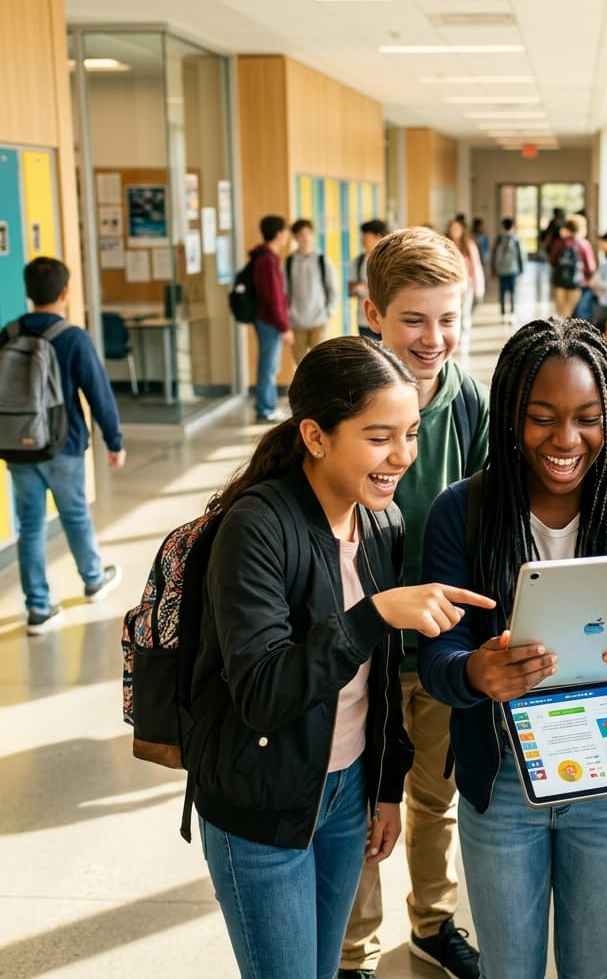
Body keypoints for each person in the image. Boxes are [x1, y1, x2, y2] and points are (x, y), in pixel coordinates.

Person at [192, 336, 495, 979]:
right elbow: (263, 691)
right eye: (379, 436)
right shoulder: (256, 527)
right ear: (316, 435)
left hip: (345, 790)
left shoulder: (379, 524)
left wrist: (385, 790)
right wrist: (376, 614)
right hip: (263, 806)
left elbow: (380, 684)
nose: (403, 457)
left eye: (411, 433)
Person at [419, 317, 607, 979]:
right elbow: (435, 663)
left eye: (588, 418)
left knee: (591, 968)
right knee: (508, 969)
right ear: (511, 413)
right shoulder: (463, 513)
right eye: (542, 416)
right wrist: (475, 672)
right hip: (505, 783)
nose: (566, 439)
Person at [340, 227, 490, 979]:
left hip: (438, 647)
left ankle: (432, 922)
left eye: (448, 318)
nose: (433, 339)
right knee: (358, 804)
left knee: (435, 797)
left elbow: (493, 516)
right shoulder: (345, 393)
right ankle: (353, 950)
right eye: (413, 320)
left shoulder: (470, 403)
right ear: (373, 311)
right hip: (357, 642)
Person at [2, 256, 124, 634]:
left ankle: (38, 608)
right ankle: (92, 579)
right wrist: (113, 440)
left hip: (19, 448)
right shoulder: (72, 338)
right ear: (66, 292)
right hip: (63, 445)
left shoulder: (8, 334)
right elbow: (98, 394)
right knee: (74, 514)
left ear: (28, 293)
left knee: (31, 526)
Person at [250, 214, 294, 423]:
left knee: (269, 364)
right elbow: (273, 297)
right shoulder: (267, 260)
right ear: (279, 234)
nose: (288, 235)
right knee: (268, 366)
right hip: (269, 321)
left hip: (267, 320)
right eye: (286, 231)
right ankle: (265, 408)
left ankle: (266, 405)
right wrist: (284, 326)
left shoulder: (266, 257)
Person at [285, 218, 339, 363]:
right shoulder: (289, 262)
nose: (306, 238)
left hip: (318, 321)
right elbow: (284, 291)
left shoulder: (322, 260)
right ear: (295, 237)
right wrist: (287, 314)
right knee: (300, 365)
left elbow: (333, 288)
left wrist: (328, 312)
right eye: (301, 234)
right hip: (296, 322)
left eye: (309, 234)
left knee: (321, 362)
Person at [548, 214, 596, 319]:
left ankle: (559, 332)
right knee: (568, 312)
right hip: (576, 284)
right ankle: (565, 333)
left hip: (559, 283)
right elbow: (590, 267)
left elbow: (552, 261)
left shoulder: (559, 243)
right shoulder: (584, 244)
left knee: (560, 312)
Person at [350, 219, 389, 340]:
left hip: (385, 317)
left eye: (366, 236)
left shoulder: (389, 260)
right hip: (364, 319)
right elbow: (350, 287)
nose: (362, 239)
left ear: (378, 237)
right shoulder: (358, 261)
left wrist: (367, 286)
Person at [445, 218, 485, 333]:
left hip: (466, 284)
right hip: (449, 284)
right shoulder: (445, 245)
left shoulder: (469, 245)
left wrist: (478, 287)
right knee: (452, 310)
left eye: (457, 228)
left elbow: (475, 267)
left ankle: (463, 334)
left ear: (462, 230)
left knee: (465, 311)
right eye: (452, 228)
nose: (454, 231)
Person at [491, 217, 525, 324]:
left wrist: (493, 270)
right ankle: (512, 313)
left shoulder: (499, 239)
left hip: (501, 270)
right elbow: (520, 255)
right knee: (513, 292)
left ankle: (503, 314)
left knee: (502, 292)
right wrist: (522, 269)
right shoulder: (515, 239)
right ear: (512, 226)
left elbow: (494, 255)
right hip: (513, 270)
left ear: (502, 226)